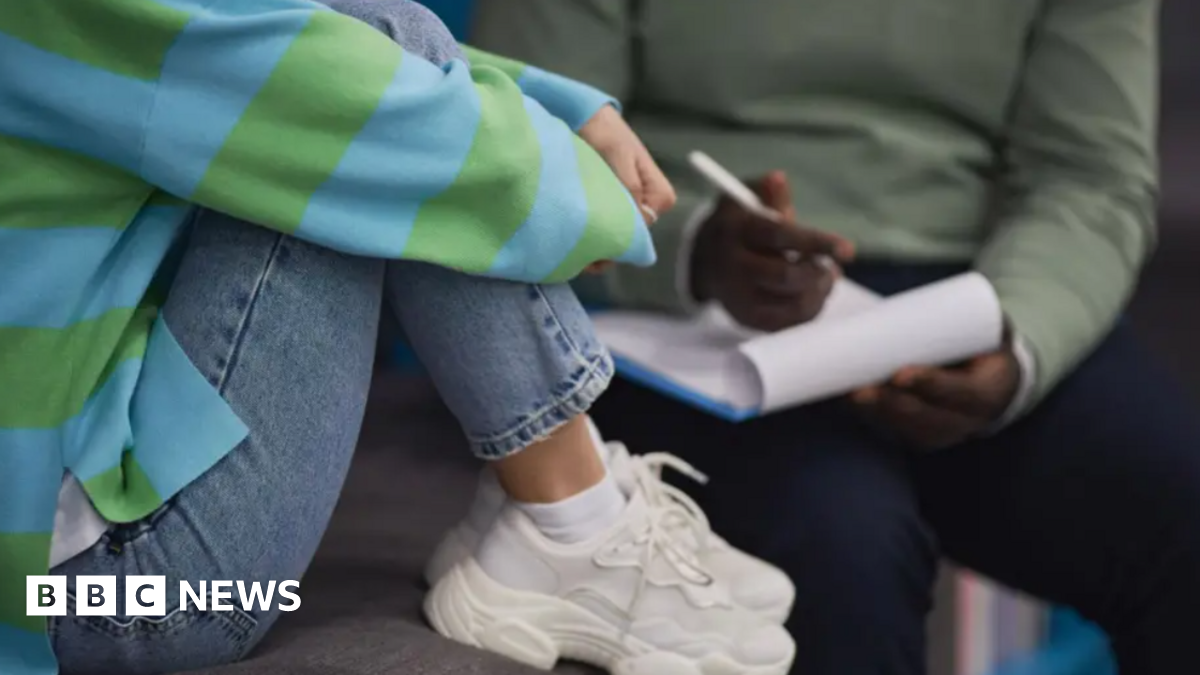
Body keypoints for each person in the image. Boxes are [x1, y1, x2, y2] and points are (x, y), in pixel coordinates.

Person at [0, 1, 797, 674]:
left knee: (381, 46)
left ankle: (565, 513)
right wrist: (588, 203)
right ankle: (569, 516)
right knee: (372, 83)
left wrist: (563, 107)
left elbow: (256, 31)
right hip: (88, 597)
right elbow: (334, 80)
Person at [472, 1, 1200, 673]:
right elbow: (524, 141)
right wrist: (686, 245)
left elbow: (1090, 173)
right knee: (837, 555)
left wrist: (1019, 337)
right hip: (675, 300)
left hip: (988, 287)